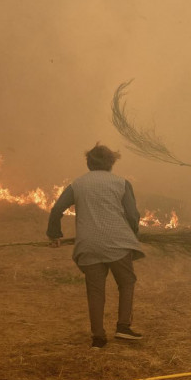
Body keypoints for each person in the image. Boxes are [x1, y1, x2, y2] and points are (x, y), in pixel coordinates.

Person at [47, 143, 145, 349]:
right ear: (111, 163)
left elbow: (56, 210)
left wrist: (54, 234)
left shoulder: (77, 184)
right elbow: (132, 215)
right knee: (127, 282)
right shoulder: (122, 183)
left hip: (88, 245)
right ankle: (123, 327)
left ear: (89, 163)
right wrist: (133, 234)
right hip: (118, 243)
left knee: (95, 291)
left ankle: (98, 337)